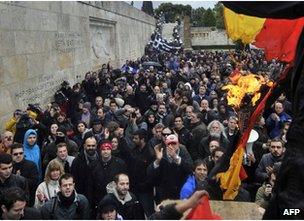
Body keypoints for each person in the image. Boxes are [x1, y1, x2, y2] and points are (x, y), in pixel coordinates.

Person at [147, 134, 193, 202]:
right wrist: (158, 161)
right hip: (164, 195)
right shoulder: (160, 154)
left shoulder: (183, 153)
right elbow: (149, 173)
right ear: (166, 144)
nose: (171, 146)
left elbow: (190, 169)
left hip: (180, 193)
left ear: (178, 144)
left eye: (174, 143)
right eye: (169, 144)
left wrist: (176, 157)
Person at [92, 141, 127, 211]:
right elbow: (91, 184)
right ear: (100, 151)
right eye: (103, 149)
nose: (106, 151)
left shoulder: (120, 164)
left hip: (116, 198)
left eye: (108, 149)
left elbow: (125, 181)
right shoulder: (93, 165)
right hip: (99, 198)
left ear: (111, 150)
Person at [71, 134, 99, 213]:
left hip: (98, 197)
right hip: (83, 197)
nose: (91, 148)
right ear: (84, 146)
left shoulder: (101, 159)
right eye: (89, 145)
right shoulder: (77, 161)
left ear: (96, 146)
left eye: (93, 145)